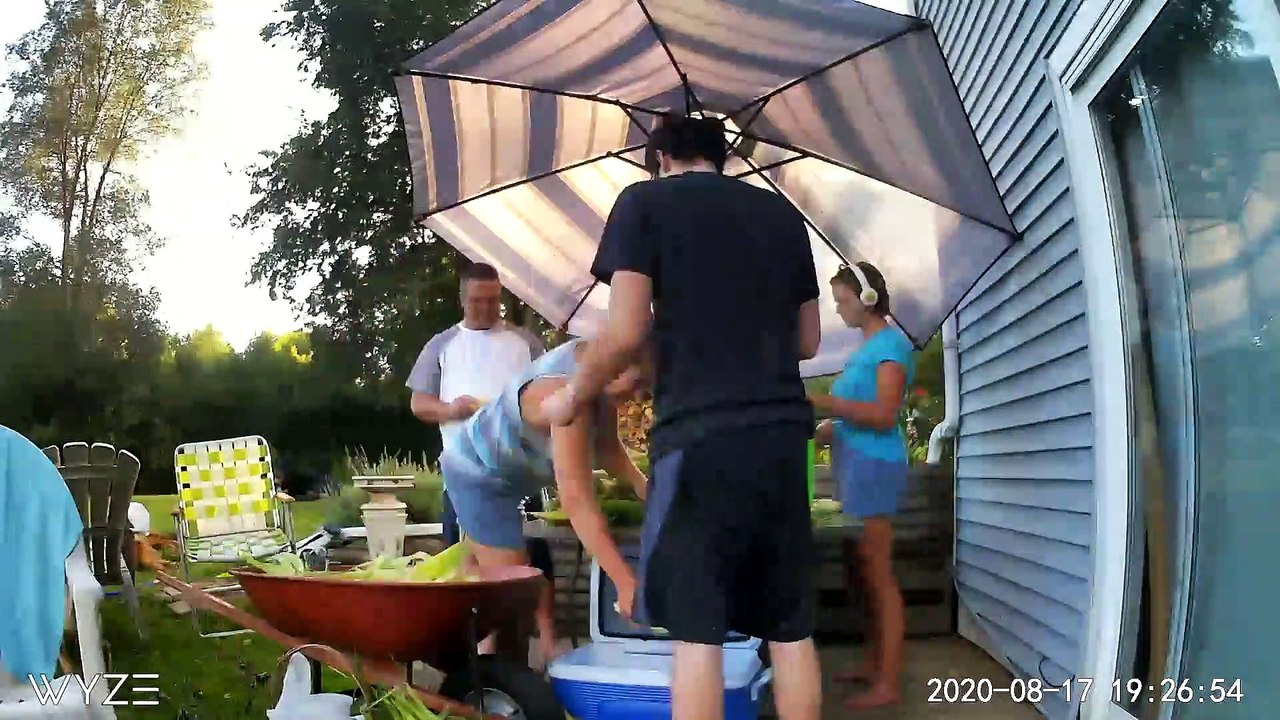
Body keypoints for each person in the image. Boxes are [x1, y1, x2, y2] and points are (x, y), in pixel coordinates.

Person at [542, 114, 824, 720]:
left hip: (699, 439)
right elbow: (807, 342)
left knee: (699, 633)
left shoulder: (643, 203)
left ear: (659, 157)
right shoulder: (783, 216)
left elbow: (623, 330)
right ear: (720, 156)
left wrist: (574, 395)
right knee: (788, 626)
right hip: (779, 439)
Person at [442, 337, 651, 663]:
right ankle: (490, 687)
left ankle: (491, 670)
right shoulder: (568, 396)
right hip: (477, 475)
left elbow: (609, 451)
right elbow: (577, 498)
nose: (637, 396)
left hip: (509, 478)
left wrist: (649, 490)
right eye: (637, 383)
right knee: (513, 601)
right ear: (616, 360)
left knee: (505, 583)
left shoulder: (596, 371)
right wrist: (625, 582)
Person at [404, 261, 558, 654]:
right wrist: (451, 410)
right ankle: (474, 655)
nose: (487, 309)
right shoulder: (442, 346)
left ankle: (527, 652)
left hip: (521, 471)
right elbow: (418, 403)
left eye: (493, 301)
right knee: (468, 566)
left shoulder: (526, 344)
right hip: (465, 473)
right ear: (462, 299)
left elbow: (551, 392)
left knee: (528, 561)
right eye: (477, 301)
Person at [808, 261, 914, 710]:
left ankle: (888, 682)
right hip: (856, 466)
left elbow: (885, 415)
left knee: (878, 574)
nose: (838, 310)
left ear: (867, 297)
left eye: (843, 301)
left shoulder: (890, 344)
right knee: (861, 574)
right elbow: (852, 417)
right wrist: (818, 426)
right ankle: (874, 665)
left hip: (876, 468)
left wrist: (825, 403)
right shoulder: (865, 348)